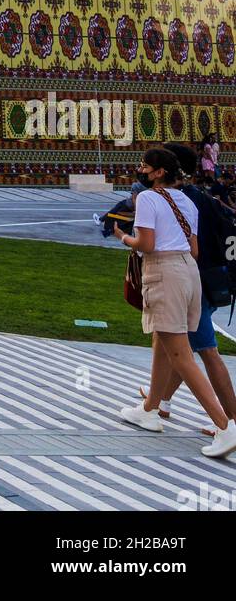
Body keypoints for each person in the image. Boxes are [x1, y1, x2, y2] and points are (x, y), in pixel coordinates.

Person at [114, 146, 236, 458]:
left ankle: (225, 426)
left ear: (159, 172)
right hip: (190, 273)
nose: (141, 169)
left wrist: (124, 238)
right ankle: (151, 408)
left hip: (165, 272)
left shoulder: (148, 199)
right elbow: (193, 249)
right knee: (166, 342)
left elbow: (148, 243)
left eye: (145, 166)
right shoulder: (187, 201)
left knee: (183, 355)